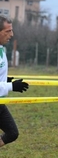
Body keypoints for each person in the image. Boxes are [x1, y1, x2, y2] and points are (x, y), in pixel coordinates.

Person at [0, 15, 29, 147]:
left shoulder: (1, 49)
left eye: (11, 30)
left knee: (12, 133)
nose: (11, 34)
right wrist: (11, 86)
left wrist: (5, 80)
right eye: (7, 31)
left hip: (1, 101)